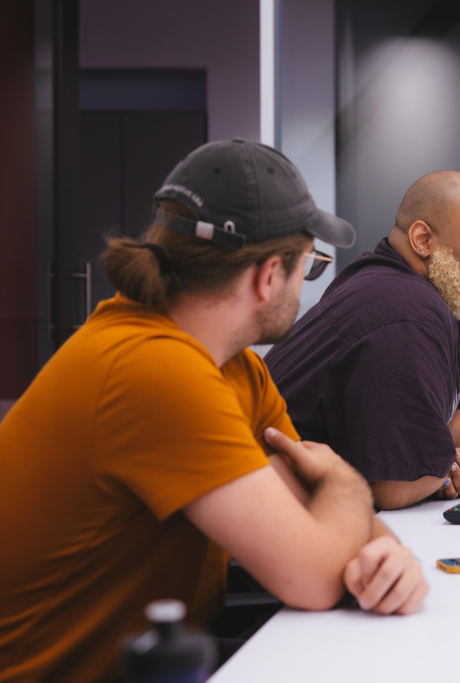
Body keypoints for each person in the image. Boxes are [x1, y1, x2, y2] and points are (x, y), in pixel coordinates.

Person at [0, 140, 428, 683]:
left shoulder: (234, 370)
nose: (305, 286)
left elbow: (327, 527)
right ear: (269, 275)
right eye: (310, 267)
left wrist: (384, 557)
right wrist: (347, 483)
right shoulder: (153, 371)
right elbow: (314, 572)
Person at [265, 171, 460, 510]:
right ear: (423, 241)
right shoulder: (408, 310)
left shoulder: (381, 278)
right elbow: (393, 487)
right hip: (269, 526)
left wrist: (443, 451)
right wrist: (450, 446)